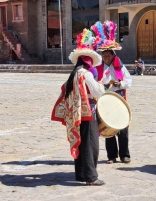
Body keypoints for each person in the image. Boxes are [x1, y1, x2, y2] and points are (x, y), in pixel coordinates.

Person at [51, 29, 106, 186]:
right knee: (90, 144)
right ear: (89, 62)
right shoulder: (86, 74)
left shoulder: (74, 73)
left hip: (77, 114)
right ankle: (91, 177)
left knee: (82, 143)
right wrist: (101, 85)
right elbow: (98, 91)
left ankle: (81, 174)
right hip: (88, 112)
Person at [92, 20, 132, 164]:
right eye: (104, 56)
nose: (106, 58)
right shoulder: (98, 69)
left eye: (108, 55)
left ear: (113, 56)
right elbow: (95, 83)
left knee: (122, 127)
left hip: (118, 99)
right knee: (108, 127)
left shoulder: (119, 68)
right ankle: (111, 156)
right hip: (105, 99)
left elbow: (129, 81)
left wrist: (119, 83)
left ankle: (125, 155)